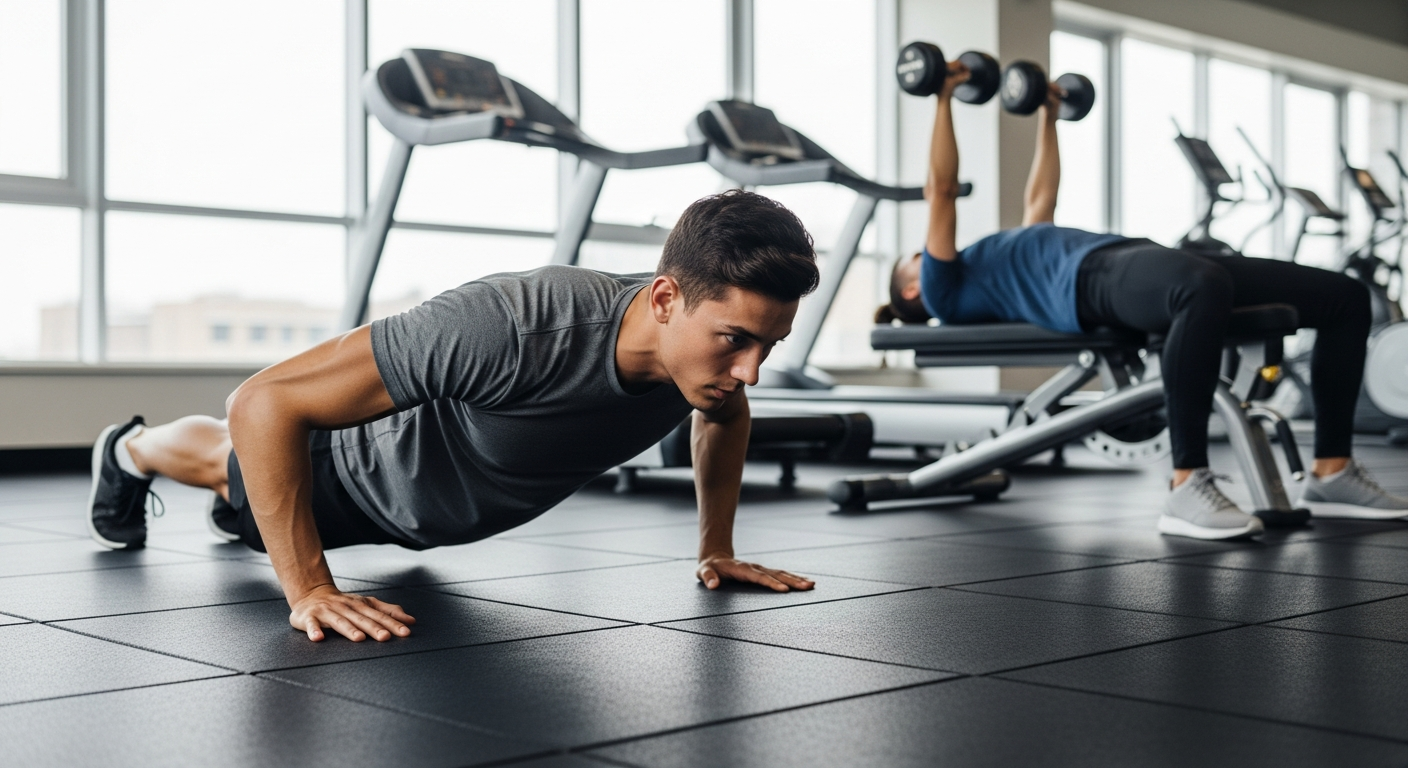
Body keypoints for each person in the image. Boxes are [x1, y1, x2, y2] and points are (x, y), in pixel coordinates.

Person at [86, 190, 820, 643]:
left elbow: (725, 420)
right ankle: (133, 449)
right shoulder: (513, 324)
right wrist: (309, 587)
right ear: (665, 300)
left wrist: (714, 548)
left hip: (418, 519)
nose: (750, 371)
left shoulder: (704, 364)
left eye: (769, 345)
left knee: (239, 498)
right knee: (227, 464)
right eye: (736, 341)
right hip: (348, 470)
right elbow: (262, 401)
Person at [878, 61, 1408, 540]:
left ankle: (1333, 473)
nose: (924, 249)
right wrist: (943, 96)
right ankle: (1186, 485)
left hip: (1128, 258)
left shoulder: (997, 259)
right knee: (1200, 286)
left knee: (1344, 298)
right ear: (911, 287)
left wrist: (1049, 114)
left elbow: (1040, 199)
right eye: (913, 256)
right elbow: (941, 190)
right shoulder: (944, 288)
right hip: (1092, 284)